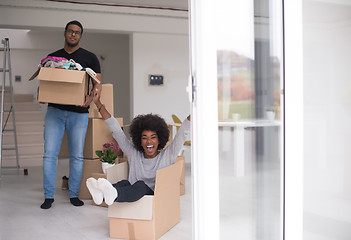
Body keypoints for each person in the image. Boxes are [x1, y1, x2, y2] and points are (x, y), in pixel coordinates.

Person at [86, 89, 190, 205]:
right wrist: (98, 103)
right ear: (139, 141)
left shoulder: (168, 155)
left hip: (152, 195)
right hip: (133, 192)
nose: (149, 141)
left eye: (153, 137)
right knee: (124, 183)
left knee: (140, 185)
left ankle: (113, 194)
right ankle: (101, 194)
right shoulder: (133, 154)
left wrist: (198, 107)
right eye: (144, 137)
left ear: (159, 139)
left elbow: (183, 132)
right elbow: (116, 130)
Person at [41, 20, 102, 209]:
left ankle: (74, 194)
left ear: (80, 36)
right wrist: (42, 95)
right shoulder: (53, 57)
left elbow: (97, 85)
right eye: (70, 31)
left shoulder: (90, 58)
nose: (73, 35)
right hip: (54, 112)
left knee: (76, 156)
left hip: (79, 113)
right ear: (65, 33)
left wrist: (90, 100)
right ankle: (48, 196)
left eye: (77, 32)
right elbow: (45, 83)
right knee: (50, 155)